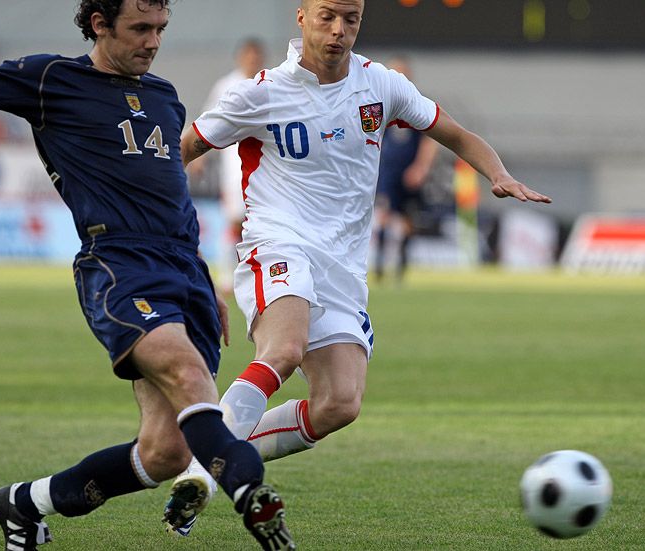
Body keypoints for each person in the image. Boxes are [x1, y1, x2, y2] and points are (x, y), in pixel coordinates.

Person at [164, 0, 552, 536]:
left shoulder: (382, 86)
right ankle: (199, 474)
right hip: (277, 244)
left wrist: (498, 174)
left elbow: (456, 134)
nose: (339, 30)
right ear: (301, 18)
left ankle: (215, 451)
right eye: (327, 16)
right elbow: (180, 149)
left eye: (351, 19)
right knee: (283, 349)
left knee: (339, 404)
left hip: (342, 266)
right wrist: (145, 214)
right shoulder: (260, 92)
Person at [0, 2, 294, 550]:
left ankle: (24, 502)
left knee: (163, 452)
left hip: (185, 271)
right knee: (187, 374)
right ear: (99, 24)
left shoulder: (164, 97)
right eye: (140, 29)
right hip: (119, 265)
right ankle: (252, 497)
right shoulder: (52, 80)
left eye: (160, 30)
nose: (153, 42)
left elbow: (169, 192)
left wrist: (199, 270)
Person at [190, 38, 267, 294]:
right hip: (235, 167)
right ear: (240, 58)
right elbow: (207, 122)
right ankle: (226, 279)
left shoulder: (271, 83)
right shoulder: (226, 86)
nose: (252, 60)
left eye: (256, 56)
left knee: (261, 225)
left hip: (267, 168)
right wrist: (200, 156)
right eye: (248, 55)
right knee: (235, 222)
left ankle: (258, 278)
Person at [373, 56, 439, 283]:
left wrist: (420, 168)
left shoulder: (417, 105)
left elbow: (430, 140)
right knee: (383, 215)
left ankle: (401, 267)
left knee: (408, 219)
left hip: (409, 172)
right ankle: (380, 266)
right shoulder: (379, 105)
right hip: (387, 172)